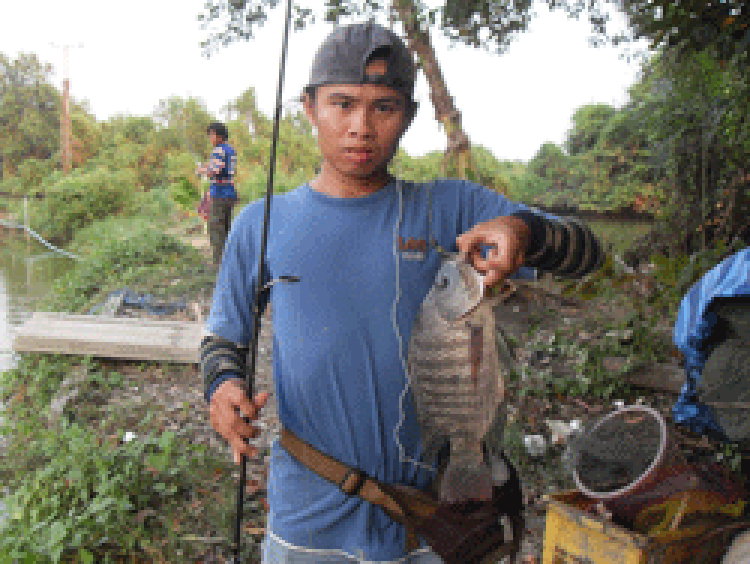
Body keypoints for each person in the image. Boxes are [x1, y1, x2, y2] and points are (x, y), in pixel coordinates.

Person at [201, 21, 606, 563]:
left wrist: (526, 234)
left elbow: (588, 252)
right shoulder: (261, 222)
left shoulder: (452, 208)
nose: (361, 127)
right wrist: (222, 387)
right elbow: (225, 335)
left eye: (384, 108)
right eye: (342, 104)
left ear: (410, 117)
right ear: (308, 107)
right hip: (307, 517)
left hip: (435, 518)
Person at [196, 122, 238, 267]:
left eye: (212, 134)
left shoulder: (219, 150)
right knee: (226, 228)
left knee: (216, 229)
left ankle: (221, 265)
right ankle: (231, 263)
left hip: (219, 193)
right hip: (230, 192)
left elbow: (214, 170)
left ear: (220, 135)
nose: (210, 138)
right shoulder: (230, 150)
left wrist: (201, 170)